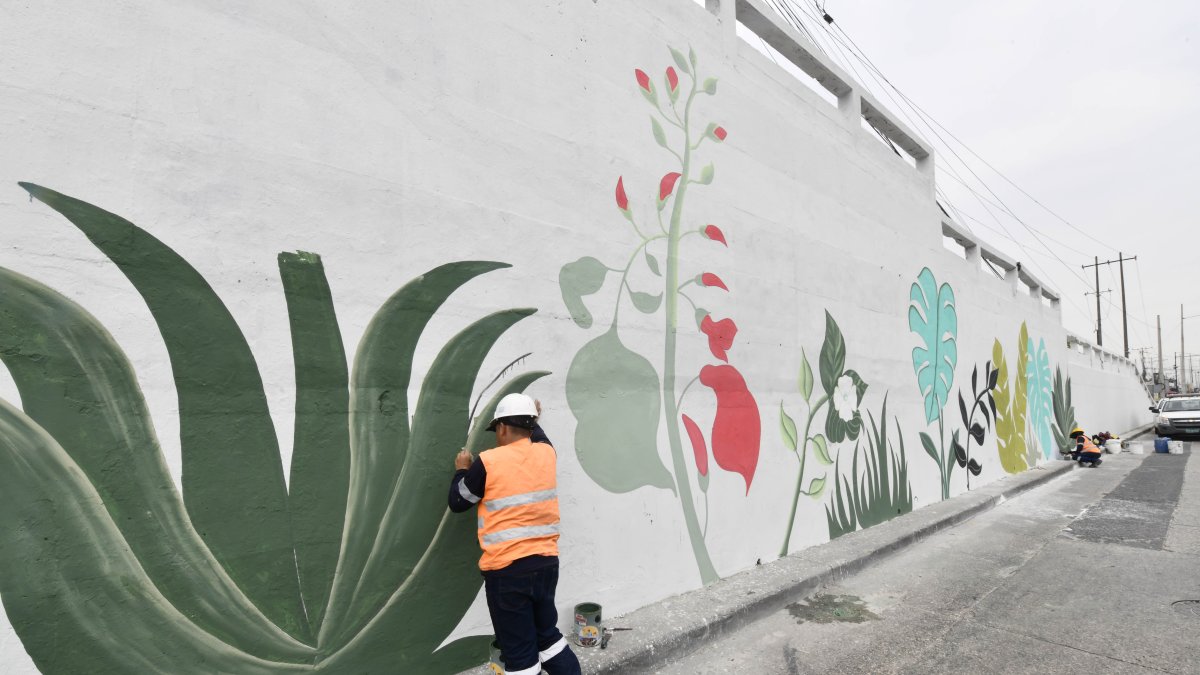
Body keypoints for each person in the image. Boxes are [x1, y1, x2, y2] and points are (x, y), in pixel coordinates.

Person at [447, 393, 581, 675]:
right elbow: (539, 437)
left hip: (508, 574)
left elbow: (459, 501)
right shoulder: (547, 452)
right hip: (546, 565)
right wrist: (534, 417)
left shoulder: (487, 462)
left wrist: (461, 469)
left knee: (520, 657)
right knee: (549, 639)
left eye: (496, 429)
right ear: (531, 426)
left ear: (503, 428)